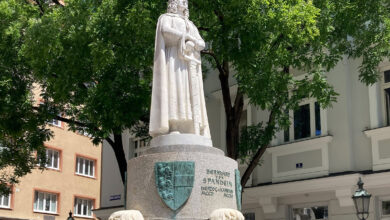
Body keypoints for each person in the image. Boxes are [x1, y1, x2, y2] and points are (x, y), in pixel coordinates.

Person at [149, 0, 210, 138]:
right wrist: (186, 37)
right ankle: (174, 125)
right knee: (174, 90)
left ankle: (190, 125)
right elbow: (165, 31)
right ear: (174, 3)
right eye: (182, 0)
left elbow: (202, 43)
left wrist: (194, 43)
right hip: (174, 60)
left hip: (190, 62)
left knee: (188, 93)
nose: (185, 3)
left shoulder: (191, 24)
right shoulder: (166, 18)